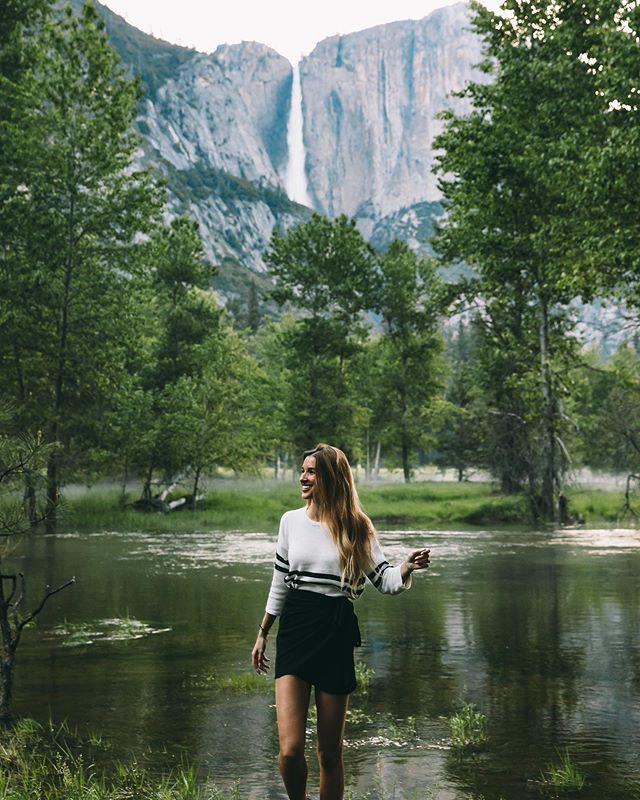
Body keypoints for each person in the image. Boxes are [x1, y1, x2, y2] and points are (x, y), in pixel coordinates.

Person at [251, 443, 431, 800]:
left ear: (330, 477)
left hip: (334, 633)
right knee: (289, 751)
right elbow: (279, 581)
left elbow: (385, 581)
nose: (303, 477)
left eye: (312, 471)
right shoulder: (290, 521)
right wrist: (263, 633)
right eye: (302, 470)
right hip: (296, 629)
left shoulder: (356, 525)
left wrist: (406, 567)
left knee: (330, 754)